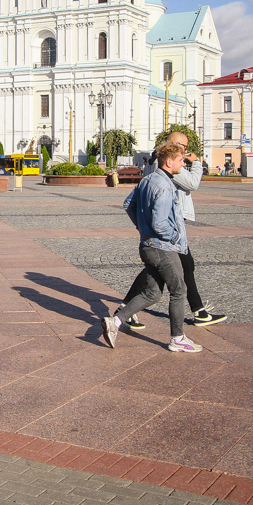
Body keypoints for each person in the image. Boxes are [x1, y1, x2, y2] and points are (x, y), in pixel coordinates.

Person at [114, 131, 227, 330]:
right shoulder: (166, 170)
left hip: (164, 228)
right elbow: (192, 183)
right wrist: (197, 162)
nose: (185, 156)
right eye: (182, 150)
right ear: (173, 148)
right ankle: (183, 328)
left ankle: (124, 310)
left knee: (157, 271)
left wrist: (142, 225)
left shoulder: (156, 167)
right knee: (175, 279)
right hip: (169, 227)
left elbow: (129, 203)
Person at [104, 141, 202, 353]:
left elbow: (128, 204)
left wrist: (141, 227)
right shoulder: (165, 185)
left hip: (148, 245)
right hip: (162, 248)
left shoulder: (147, 179)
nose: (183, 165)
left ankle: (116, 322)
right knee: (179, 289)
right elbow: (159, 223)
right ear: (169, 162)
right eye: (180, 161)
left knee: (152, 294)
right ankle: (178, 338)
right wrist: (174, 235)